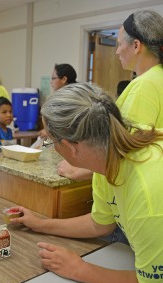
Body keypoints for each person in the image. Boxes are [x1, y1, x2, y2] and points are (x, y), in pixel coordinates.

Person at [10, 82, 163, 283]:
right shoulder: (107, 156)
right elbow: (99, 224)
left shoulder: (148, 194)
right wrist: (40, 224)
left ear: (72, 146)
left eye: (51, 142)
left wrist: (79, 269)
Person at [57, 10, 163, 180]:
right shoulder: (158, 78)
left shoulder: (144, 85)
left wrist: (80, 170)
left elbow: (127, 149)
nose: (117, 51)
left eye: (119, 44)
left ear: (136, 46)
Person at [39, 63, 77, 138]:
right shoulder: (62, 97)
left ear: (64, 79)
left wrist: (49, 132)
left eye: (53, 78)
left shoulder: (71, 99)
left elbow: (68, 126)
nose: (51, 82)